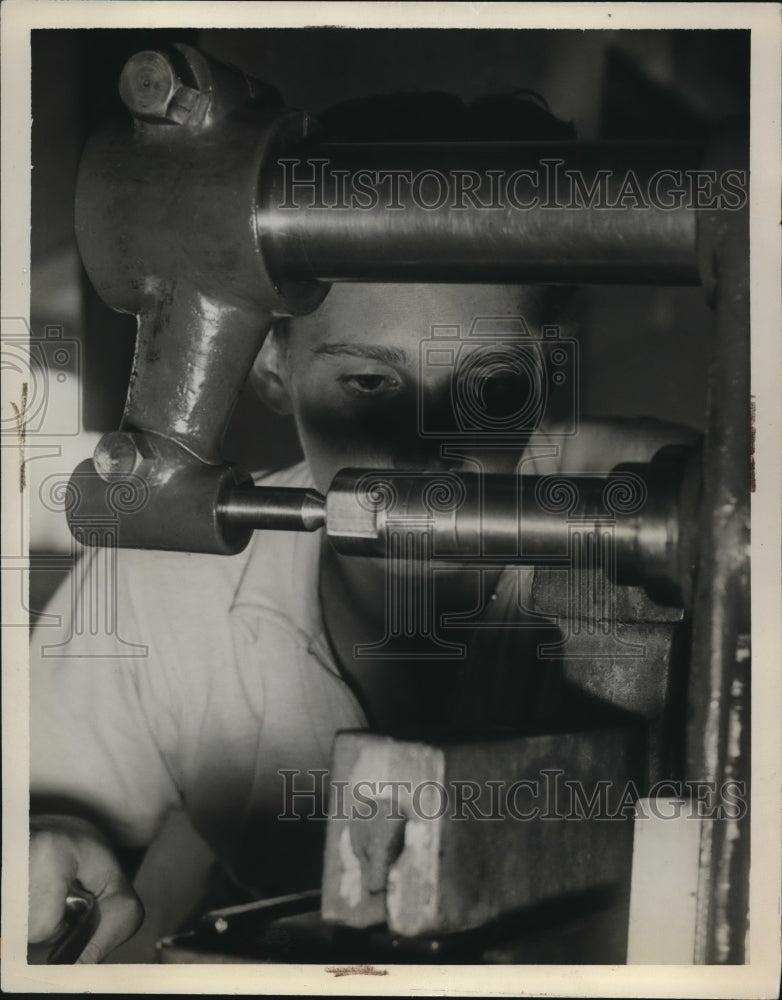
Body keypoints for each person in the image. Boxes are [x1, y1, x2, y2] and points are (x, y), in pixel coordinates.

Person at [28, 93, 696, 963]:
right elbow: (47, 810)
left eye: (488, 385)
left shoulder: (676, 509)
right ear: (269, 361)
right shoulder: (159, 583)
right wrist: (52, 838)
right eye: (370, 385)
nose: (422, 450)